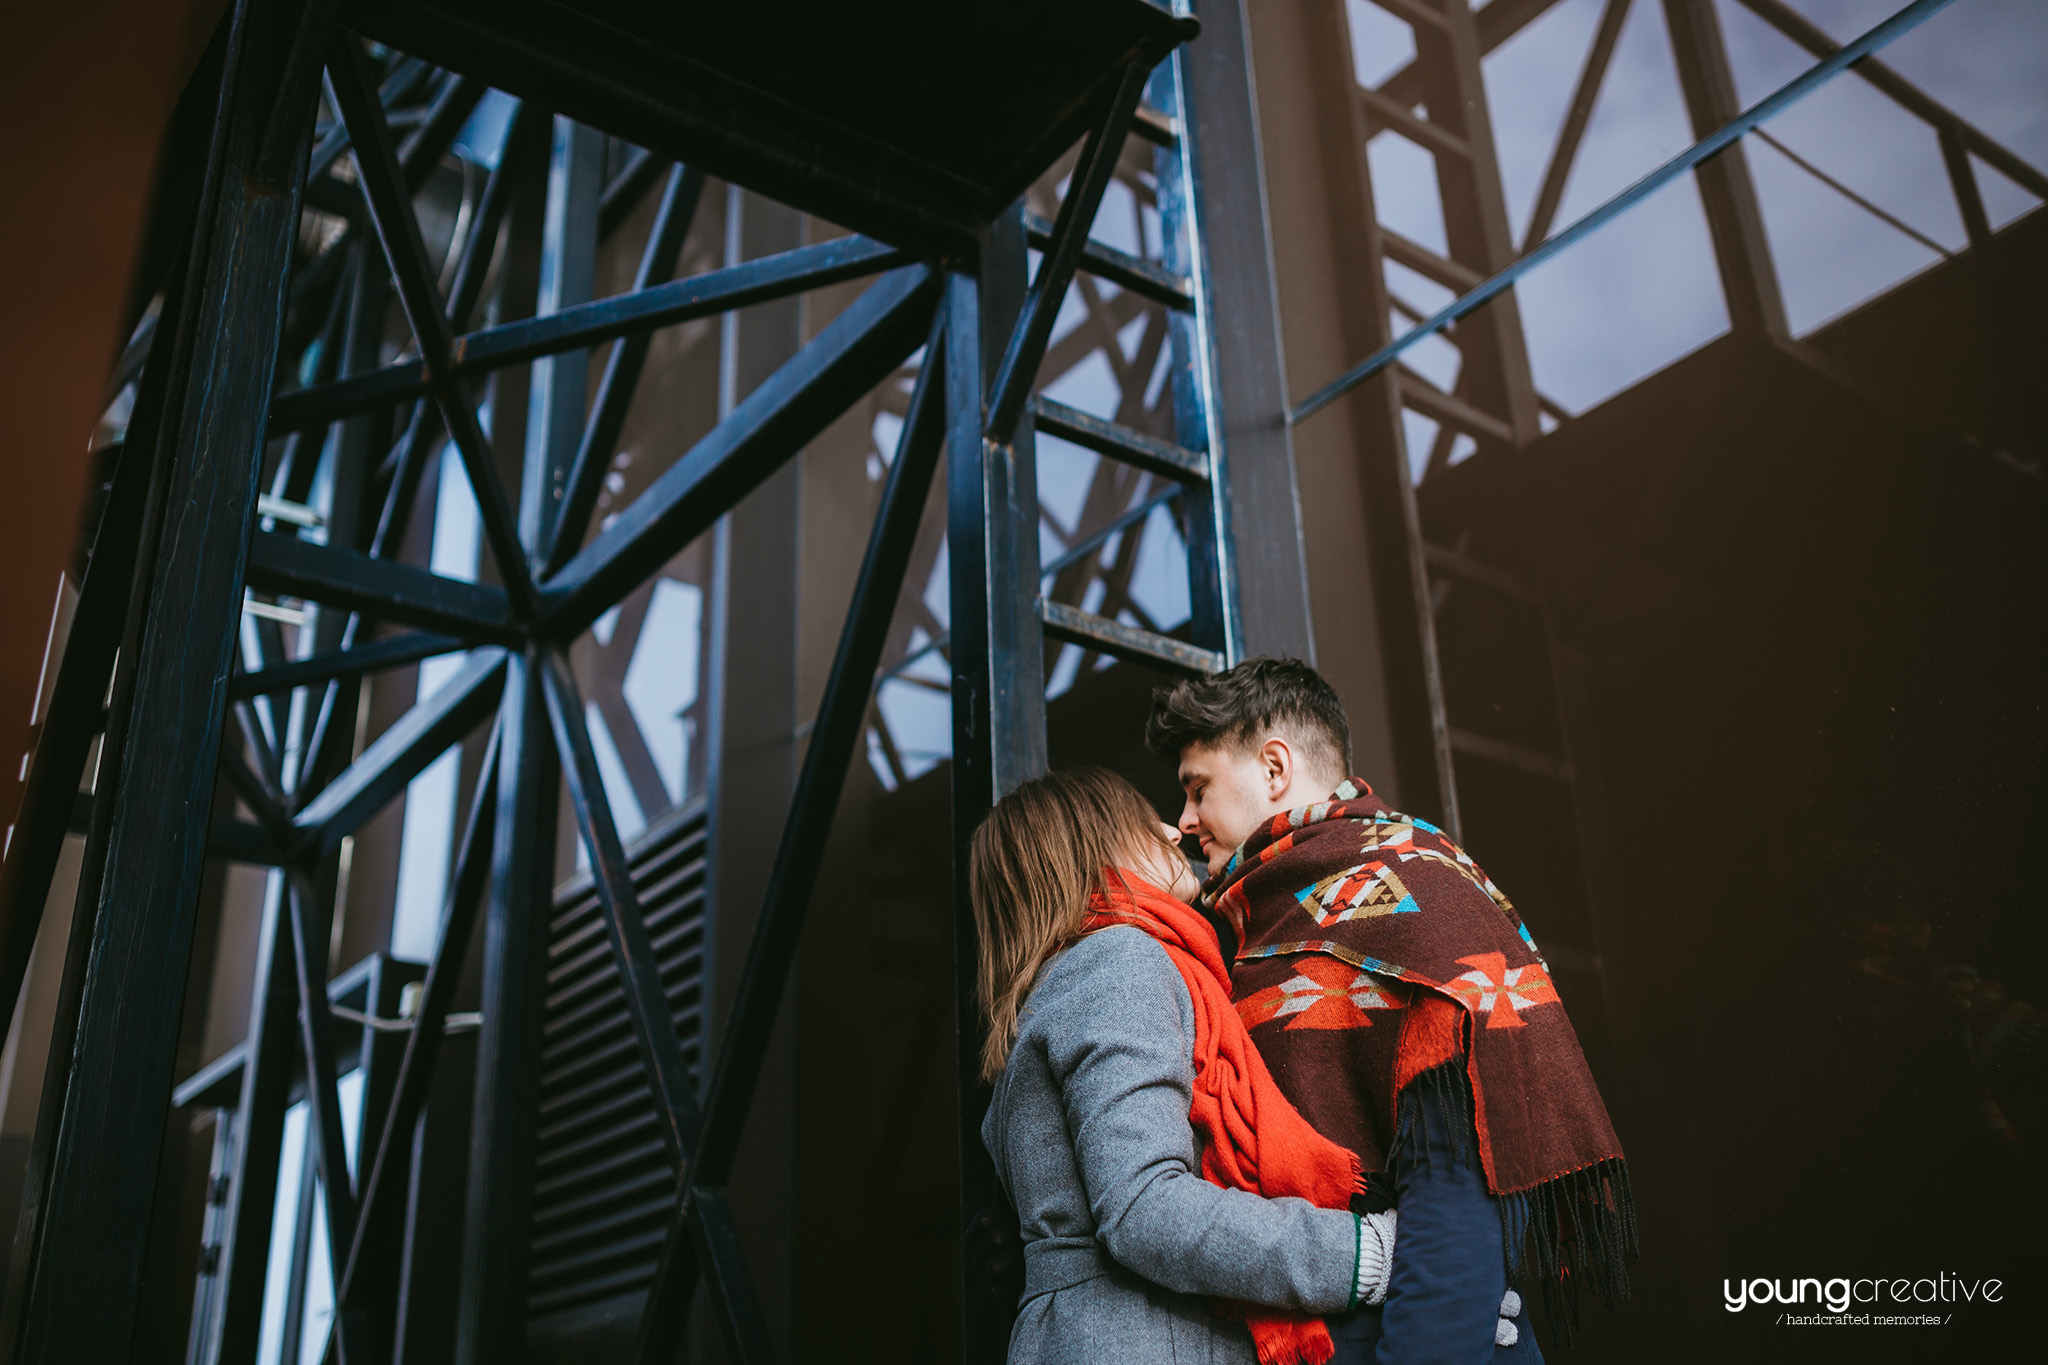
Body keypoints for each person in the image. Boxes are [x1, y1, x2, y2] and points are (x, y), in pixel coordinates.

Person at [1147, 657, 1637, 1360]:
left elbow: (1456, 1202)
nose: (1186, 821)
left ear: (1275, 768)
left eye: (1198, 789)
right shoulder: (1244, 928)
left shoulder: (1421, 898)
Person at [973, 767, 1399, 1365]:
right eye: (1145, 827)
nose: (1175, 832)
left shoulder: (1051, 990)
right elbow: (1145, 1209)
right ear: (1095, 849)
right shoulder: (1117, 962)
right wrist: (1363, 1254)